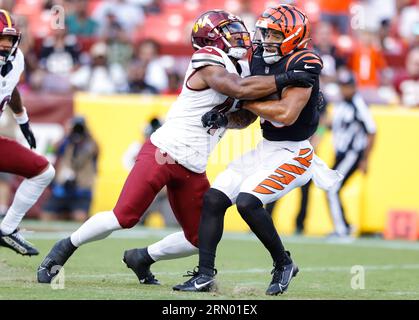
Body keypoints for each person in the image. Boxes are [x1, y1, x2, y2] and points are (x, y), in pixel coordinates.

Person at [37, 10, 315, 284]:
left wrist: (226, 118)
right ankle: (63, 248)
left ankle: (142, 257)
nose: (239, 36)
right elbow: (238, 90)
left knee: (198, 239)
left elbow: (245, 118)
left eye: (238, 29)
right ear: (212, 39)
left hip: (194, 165)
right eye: (229, 32)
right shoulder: (208, 58)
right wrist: (287, 77)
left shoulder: (243, 67)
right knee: (124, 217)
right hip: (164, 153)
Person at [173, 4, 342, 295]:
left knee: (247, 202)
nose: (265, 38)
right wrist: (226, 117)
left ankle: (283, 263)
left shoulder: (304, 61)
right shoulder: (262, 57)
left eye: (274, 33)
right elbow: (249, 118)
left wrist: (244, 101)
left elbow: (286, 114)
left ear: (292, 35)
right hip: (267, 147)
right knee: (214, 198)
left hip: (295, 153)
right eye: (264, 31)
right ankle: (204, 275)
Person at [0, 10, 55, 256]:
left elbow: (10, 87)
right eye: (0, 39)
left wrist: (23, 120)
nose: (5, 45)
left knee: (44, 171)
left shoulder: (17, 59)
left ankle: (7, 229)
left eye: (9, 40)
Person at [327, 70, 376, 238]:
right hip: (341, 154)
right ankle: (344, 226)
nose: (344, 90)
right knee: (331, 188)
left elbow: (372, 131)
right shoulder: (341, 104)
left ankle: (342, 230)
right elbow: (330, 125)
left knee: (332, 189)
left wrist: (365, 159)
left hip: (352, 154)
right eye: (342, 86)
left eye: (347, 86)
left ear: (354, 87)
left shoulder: (358, 104)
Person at [41, 116, 99, 222]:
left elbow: (94, 150)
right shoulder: (66, 142)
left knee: (79, 217)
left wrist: (86, 135)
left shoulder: (90, 144)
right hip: (62, 186)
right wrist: (67, 134)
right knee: (47, 214)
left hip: (81, 188)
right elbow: (51, 150)